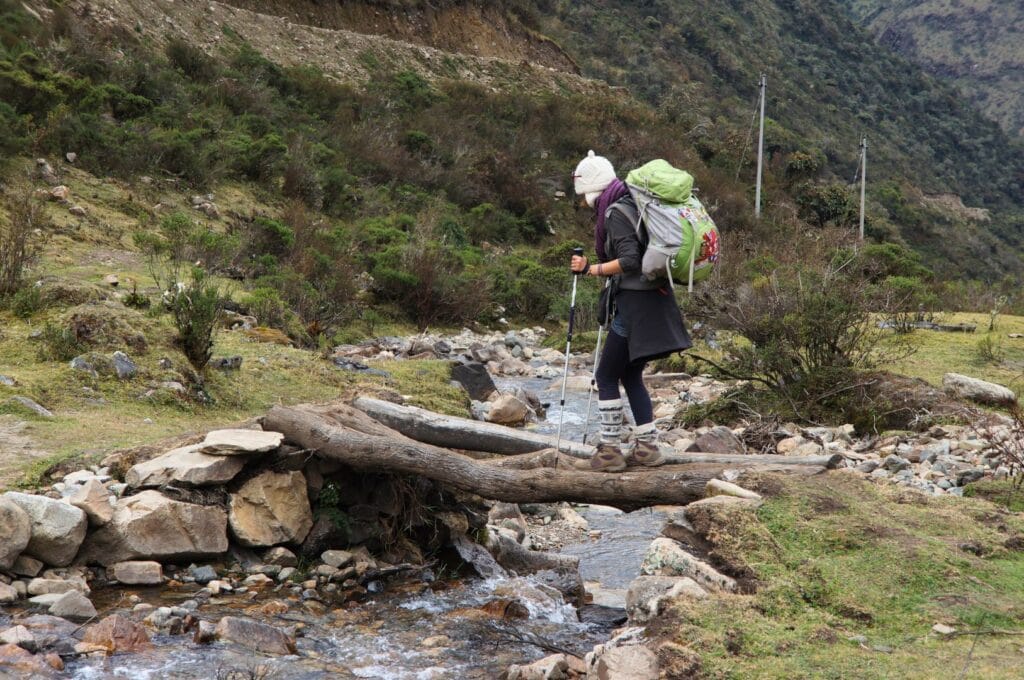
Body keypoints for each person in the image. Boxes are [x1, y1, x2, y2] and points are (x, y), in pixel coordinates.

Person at [570, 151, 692, 472]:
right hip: (653, 302)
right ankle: (647, 448)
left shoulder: (614, 212)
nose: (583, 202)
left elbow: (629, 261)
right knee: (630, 374)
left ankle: (610, 451)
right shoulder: (632, 204)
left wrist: (590, 270)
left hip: (635, 306)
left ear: (591, 189)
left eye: (582, 195)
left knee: (606, 375)